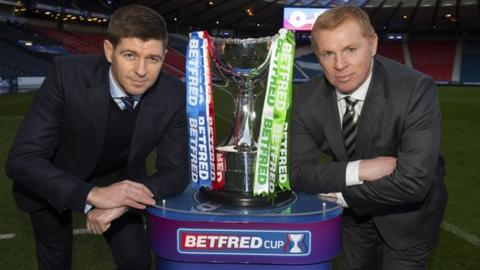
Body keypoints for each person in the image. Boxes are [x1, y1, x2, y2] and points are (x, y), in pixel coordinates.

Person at [5, 5, 187, 270]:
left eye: (153, 59)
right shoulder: (67, 74)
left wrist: (123, 202)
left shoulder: (173, 95)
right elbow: (23, 160)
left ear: (164, 57)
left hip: (119, 178)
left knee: (137, 262)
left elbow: (176, 171)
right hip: (55, 175)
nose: (141, 70)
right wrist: (92, 195)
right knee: (55, 260)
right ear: (108, 51)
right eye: (130, 55)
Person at [291, 6, 447, 270]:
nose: (340, 65)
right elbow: (296, 174)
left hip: (407, 219)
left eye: (351, 50)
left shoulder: (415, 89)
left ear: (372, 44)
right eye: (328, 54)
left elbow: (414, 182)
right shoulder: (306, 99)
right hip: (355, 222)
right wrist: (360, 169)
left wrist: (341, 195)